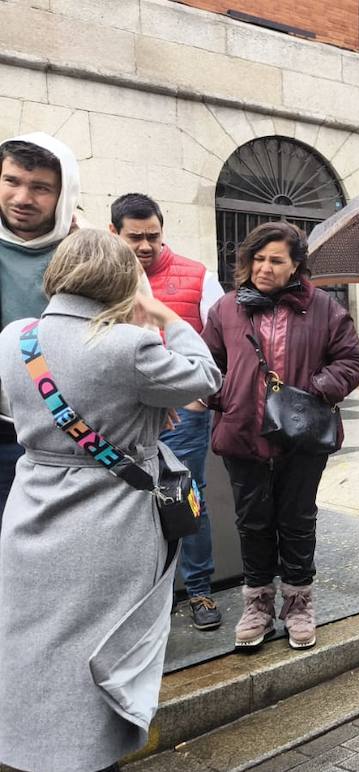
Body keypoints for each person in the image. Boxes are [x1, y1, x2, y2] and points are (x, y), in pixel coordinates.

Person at [0, 230, 221, 772]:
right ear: (125, 282)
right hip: (111, 516)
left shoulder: (15, 337)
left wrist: (130, 412)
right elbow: (206, 377)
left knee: (33, 641)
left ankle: (22, 747)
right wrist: (163, 315)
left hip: (32, 506)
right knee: (105, 639)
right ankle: (92, 754)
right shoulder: (129, 346)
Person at [202, 222, 359, 651]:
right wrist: (224, 397)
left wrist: (313, 390)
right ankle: (257, 604)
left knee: (297, 520)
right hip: (243, 434)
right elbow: (206, 364)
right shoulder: (225, 309)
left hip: (302, 435)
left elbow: (351, 359)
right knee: (252, 522)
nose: (264, 268)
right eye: (258, 258)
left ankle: (298, 603)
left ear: (296, 266)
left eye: (276, 260)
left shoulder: (324, 309)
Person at [109, 193, 227, 632]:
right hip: (124, 418)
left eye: (152, 236)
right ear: (114, 234)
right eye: (134, 237)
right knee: (130, 504)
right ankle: (147, 597)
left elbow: (220, 341)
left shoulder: (197, 276)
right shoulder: (105, 279)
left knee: (185, 496)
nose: (144, 246)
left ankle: (198, 590)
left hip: (184, 414)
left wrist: (199, 398)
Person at [0, 133, 80, 516]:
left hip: (66, 436)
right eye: (11, 181)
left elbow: (137, 326)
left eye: (40, 188)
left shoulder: (91, 253)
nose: (22, 199)